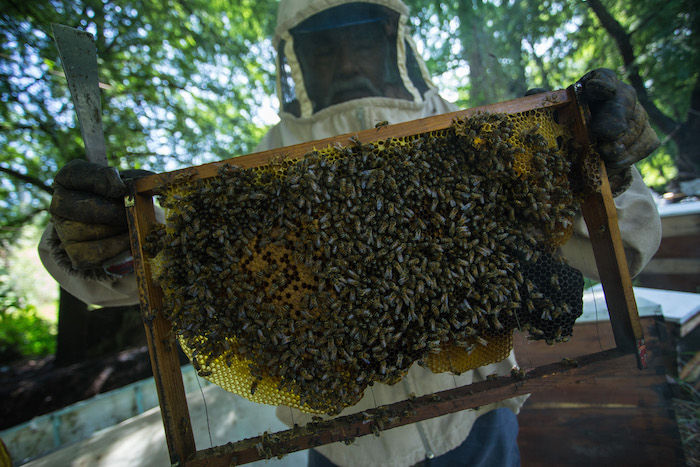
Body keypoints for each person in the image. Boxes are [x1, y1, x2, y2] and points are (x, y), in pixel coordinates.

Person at [39, 1, 662, 465]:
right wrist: (101, 242)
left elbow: (620, 241)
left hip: (477, 426)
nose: (345, 60)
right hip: (339, 448)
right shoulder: (248, 180)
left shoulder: (478, 139)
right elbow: (140, 270)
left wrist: (599, 163)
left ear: (393, 39)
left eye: (360, 37)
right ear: (296, 59)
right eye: (323, 46)